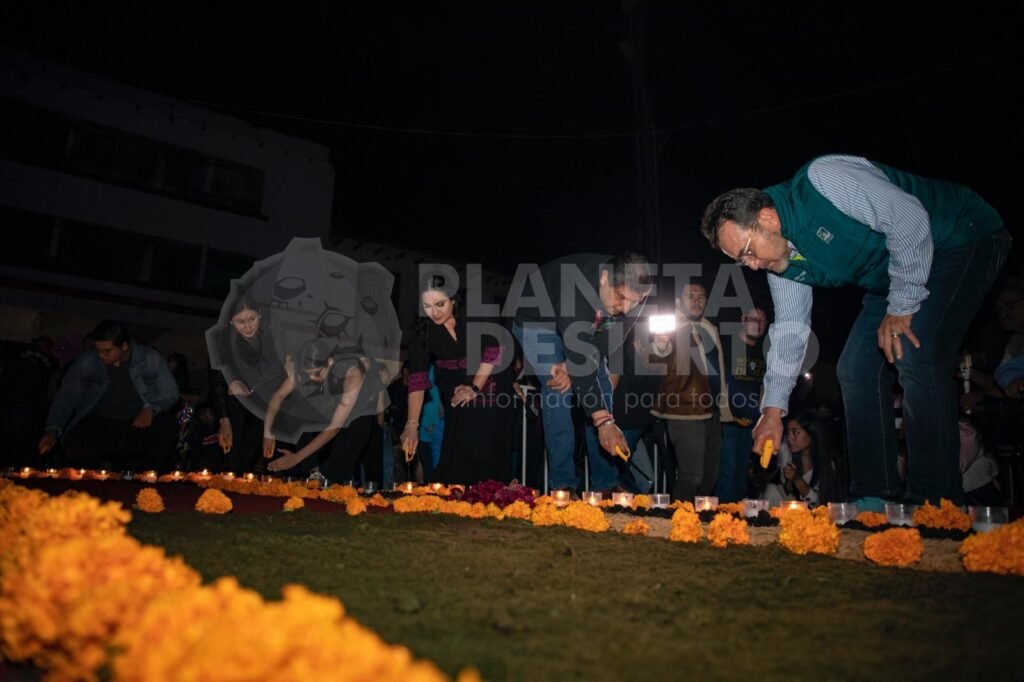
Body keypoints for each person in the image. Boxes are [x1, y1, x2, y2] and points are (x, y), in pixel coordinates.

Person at [701, 154, 1010, 506]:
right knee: (855, 368)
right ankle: (874, 497)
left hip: (959, 239)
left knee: (914, 352)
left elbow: (909, 218)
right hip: (892, 275)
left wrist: (902, 306)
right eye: (742, 261)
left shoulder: (824, 180)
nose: (753, 266)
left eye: (748, 251)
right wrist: (772, 409)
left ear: (768, 218)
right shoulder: (782, 264)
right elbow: (790, 331)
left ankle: (936, 502)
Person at [512, 252, 653, 495]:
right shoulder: (574, 289)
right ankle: (563, 484)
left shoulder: (632, 295)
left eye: (635, 302)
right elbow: (580, 361)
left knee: (603, 386)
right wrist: (603, 420)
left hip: (576, 326)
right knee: (559, 389)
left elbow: (607, 342)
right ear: (604, 278)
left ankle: (605, 483)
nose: (625, 309)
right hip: (536, 320)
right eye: (621, 297)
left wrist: (574, 364)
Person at [401, 274, 516, 485]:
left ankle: (491, 489)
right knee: (459, 433)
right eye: (427, 306)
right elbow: (417, 380)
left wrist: (473, 387)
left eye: (440, 304)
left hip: (490, 372)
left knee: (487, 432)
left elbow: (494, 348)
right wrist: (411, 425)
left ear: (453, 299)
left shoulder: (474, 310)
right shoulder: (422, 331)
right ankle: (458, 487)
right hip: (452, 380)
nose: (434, 313)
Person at [38, 320, 180, 470]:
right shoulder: (87, 362)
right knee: (73, 442)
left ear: (124, 346)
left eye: (107, 351)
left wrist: (150, 409)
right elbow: (66, 397)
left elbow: (171, 392)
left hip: (134, 423)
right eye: (98, 350)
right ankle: (92, 477)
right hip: (98, 422)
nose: (101, 355)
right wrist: (52, 430)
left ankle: (135, 474)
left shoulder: (150, 359)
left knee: (167, 426)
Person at [650, 280, 735, 502]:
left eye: (701, 297)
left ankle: (696, 521)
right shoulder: (672, 327)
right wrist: (660, 344)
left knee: (709, 478)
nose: (697, 302)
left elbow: (718, 371)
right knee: (692, 476)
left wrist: (724, 407)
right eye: (691, 297)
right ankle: (677, 518)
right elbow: (656, 358)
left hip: (713, 412)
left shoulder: (709, 328)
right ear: (678, 301)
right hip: (685, 412)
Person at [212, 297, 284, 473]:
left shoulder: (272, 338)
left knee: (251, 449)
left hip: (265, 400)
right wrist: (223, 419)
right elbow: (216, 382)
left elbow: (277, 375)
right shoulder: (222, 343)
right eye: (240, 321)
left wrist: (250, 388)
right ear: (231, 321)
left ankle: (244, 473)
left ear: (259, 315)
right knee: (234, 396)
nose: (248, 326)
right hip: (232, 403)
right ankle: (228, 473)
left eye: (252, 319)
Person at [716, 307, 768, 502]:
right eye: (753, 318)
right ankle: (722, 516)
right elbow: (719, 382)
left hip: (751, 427)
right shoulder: (727, 345)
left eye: (762, 320)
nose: (758, 323)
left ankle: (739, 516)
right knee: (726, 475)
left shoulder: (765, 352)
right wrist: (725, 414)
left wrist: (761, 420)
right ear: (742, 319)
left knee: (741, 478)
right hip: (728, 423)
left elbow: (762, 388)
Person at [762, 410, 846, 506]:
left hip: (815, 511)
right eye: (788, 432)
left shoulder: (828, 464)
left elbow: (820, 504)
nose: (789, 438)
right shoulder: (785, 452)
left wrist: (797, 480)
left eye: (795, 432)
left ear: (812, 433)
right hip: (789, 506)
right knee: (771, 490)